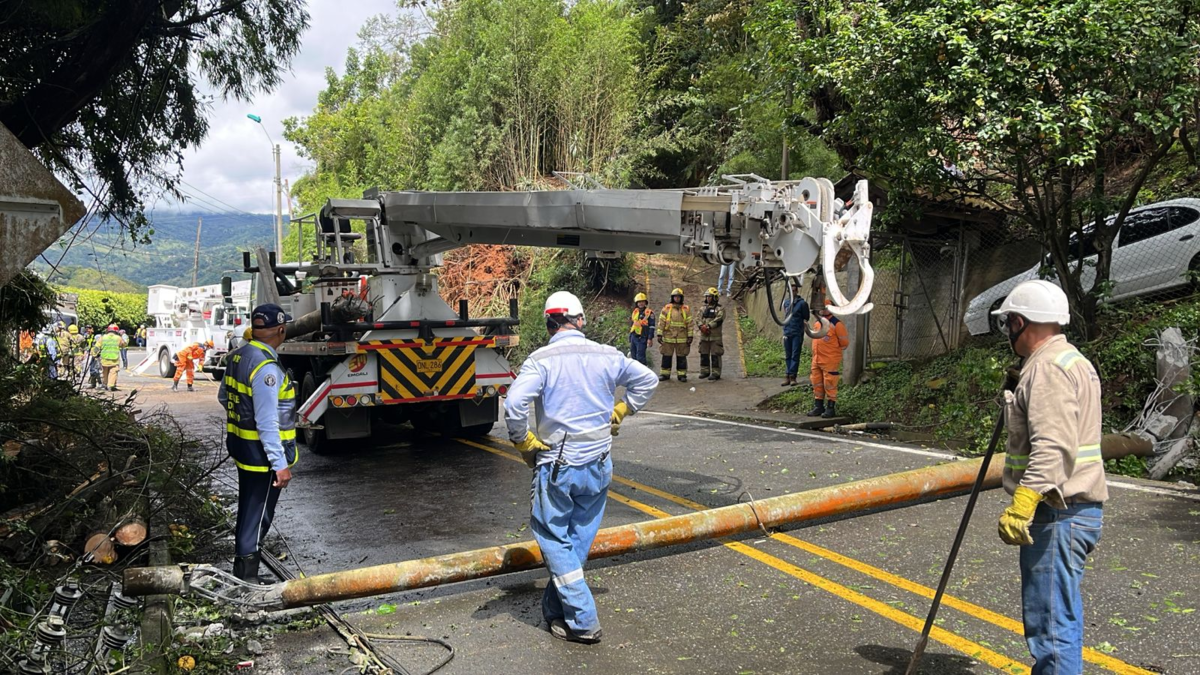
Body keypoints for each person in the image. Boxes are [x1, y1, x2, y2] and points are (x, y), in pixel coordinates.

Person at [505, 291, 658, 644]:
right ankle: (555, 610)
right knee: (577, 538)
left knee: (553, 537)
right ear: (581, 320)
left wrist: (523, 441)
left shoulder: (541, 360)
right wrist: (622, 409)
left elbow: (514, 405)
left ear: (548, 324)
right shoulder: (607, 354)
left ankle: (584, 620)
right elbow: (648, 380)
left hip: (559, 464)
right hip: (599, 462)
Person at [990, 280, 1106, 674]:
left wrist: (1023, 505)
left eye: (1009, 325)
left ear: (1020, 322)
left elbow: (1052, 447)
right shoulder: (1072, 361)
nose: (1008, 334)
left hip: (1058, 513)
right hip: (1075, 512)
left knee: (1051, 628)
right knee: (1059, 619)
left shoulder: (1047, 369)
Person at [217, 303, 298, 583]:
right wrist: (280, 465)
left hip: (242, 447)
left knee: (249, 508)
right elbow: (267, 422)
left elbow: (223, 397)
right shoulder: (267, 367)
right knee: (259, 513)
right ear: (281, 329)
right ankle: (247, 579)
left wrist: (242, 417)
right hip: (260, 457)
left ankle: (243, 570)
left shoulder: (239, 356)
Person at [807, 307, 849, 418]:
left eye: (825, 308)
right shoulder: (817, 323)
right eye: (821, 308)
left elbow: (844, 343)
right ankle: (818, 406)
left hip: (830, 360)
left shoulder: (837, 324)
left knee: (830, 384)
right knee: (817, 383)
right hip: (817, 359)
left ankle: (830, 408)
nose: (822, 310)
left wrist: (832, 352)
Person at [657, 288, 693, 382]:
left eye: (678, 297)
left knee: (681, 356)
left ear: (681, 298)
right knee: (666, 356)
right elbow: (661, 322)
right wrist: (659, 334)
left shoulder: (686, 309)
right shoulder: (667, 308)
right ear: (672, 298)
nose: (677, 299)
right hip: (668, 337)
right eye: (675, 297)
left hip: (682, 337)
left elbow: (690, 324)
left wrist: (690, 336)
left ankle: (682, 375)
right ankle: (665, 374)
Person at [781, 286, 810, 387]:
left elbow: (806, 316)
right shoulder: (786, 302)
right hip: (787, 331)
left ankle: (793, 376)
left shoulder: (802, 303)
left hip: (797, 332)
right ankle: (787, 375)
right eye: (790, 290)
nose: (792, 292)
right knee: (788, 355)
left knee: (795, 354)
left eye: (794, 290)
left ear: (797, 291)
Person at [696, 287, 725, 381]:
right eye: (707, 296)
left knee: (715, 355)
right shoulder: (702, 308)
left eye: (710, 297)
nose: (708, 298)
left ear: (715, 297)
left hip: (715, 337)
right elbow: (698, 319)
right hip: (704, 337)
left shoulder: (720, 309)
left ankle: (716, 373)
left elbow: (719, 320)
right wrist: (701, 327)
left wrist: (708, 326)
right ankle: (705, 371)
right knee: (703, 354)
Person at [628, 292, 656, 367]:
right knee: (633, 357)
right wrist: (630, 336)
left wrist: (650, 338)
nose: (641, 303)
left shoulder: (649, 313)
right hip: (634, 336)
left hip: (642, 337)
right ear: (637, 303)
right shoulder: (635, 311)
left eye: (642, 302)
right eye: (639, 302)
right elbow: (632, 324)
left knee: (640, 357)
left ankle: (644, 374)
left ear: (645, 302)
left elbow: (652, 327)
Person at [98, 325, 126, 392]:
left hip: (104, 359)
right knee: (113, 372)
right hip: (114, 359)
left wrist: (94, 354)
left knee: (105, 372)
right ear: (116, 331)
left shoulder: (103, 337)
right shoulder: (118, 338)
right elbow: (124, 344)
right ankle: (110, 386)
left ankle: (104, 384)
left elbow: (97, 346)